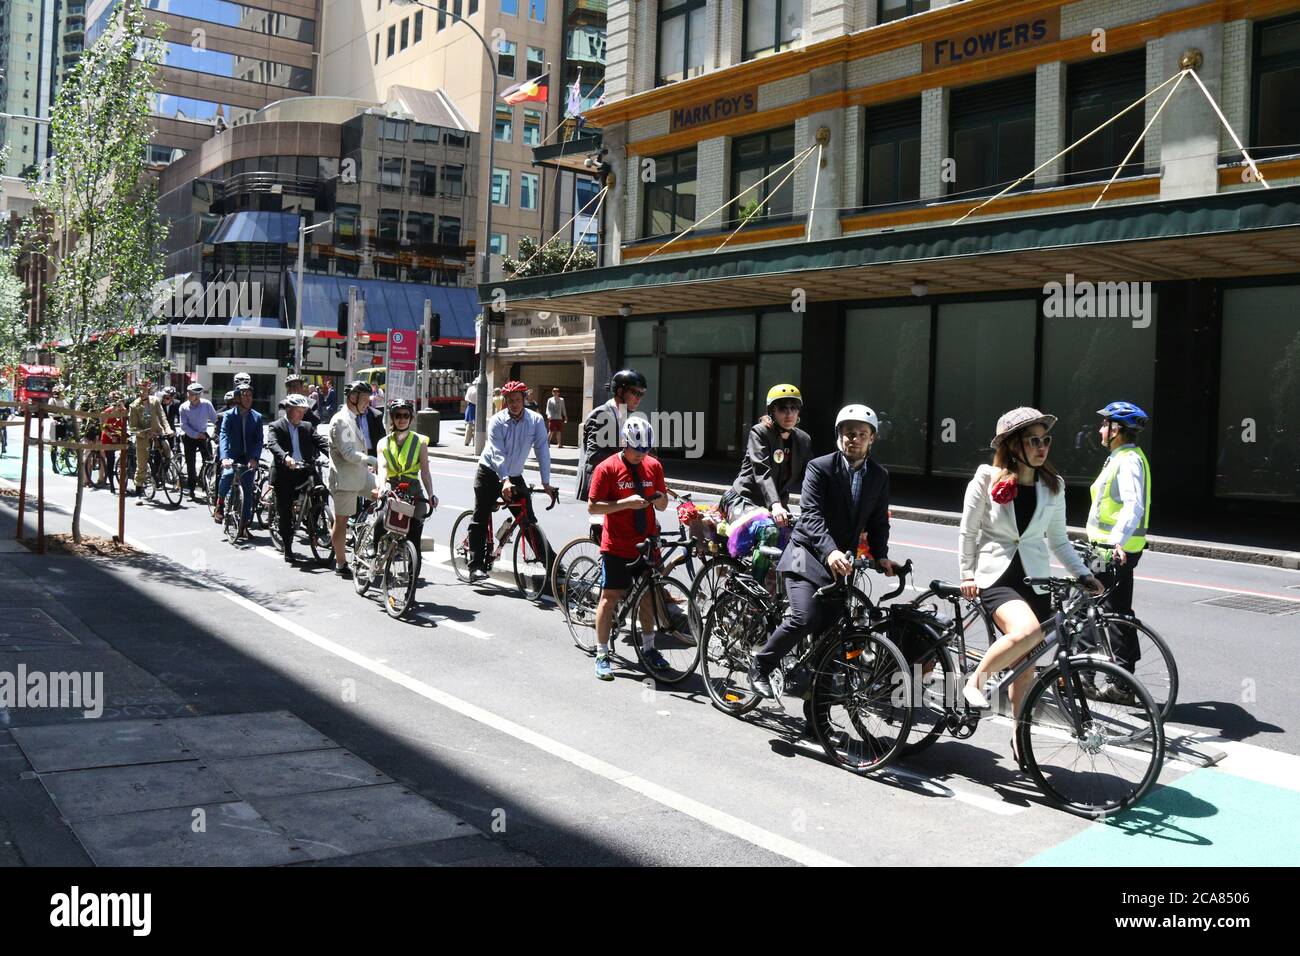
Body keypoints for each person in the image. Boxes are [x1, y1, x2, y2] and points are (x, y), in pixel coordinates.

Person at [958, 407, 1103, 753]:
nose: (1042, 447)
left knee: (1025, 671)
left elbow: (1059, 541)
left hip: (1035, 581)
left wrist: (1082, 574)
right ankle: (975, 681)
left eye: (1046, 440)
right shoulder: (986, 477)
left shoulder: (1054, 486)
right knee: (1027, 632)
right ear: (1012, 446)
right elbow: (969, 530)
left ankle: (1020, 740)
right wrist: (966, 573)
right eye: (1033, 440)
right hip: (997, 577)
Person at [748, 405, 902, 700]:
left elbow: (878, 521)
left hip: (837, 564)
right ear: (838, 436)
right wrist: (830, 551)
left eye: (861, 434)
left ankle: (816, 719)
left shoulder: (879, 476)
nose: (853, 439)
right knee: (805, 617)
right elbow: (812, 517)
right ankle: (762, 663)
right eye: (847, 433)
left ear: (872, 439)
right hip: (803, 554)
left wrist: (881, 556)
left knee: (831, 640)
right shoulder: (820, 468)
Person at [588, 417, 670, 681]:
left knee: (647, 597)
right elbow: (593, 507)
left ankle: (648, 648)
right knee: (609, 598)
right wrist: (624, 503)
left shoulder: (653, 466)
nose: (640, 455)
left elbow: (663, 505)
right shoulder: (607, 468)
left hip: (645, 543)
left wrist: (660, 499)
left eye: (645, 450)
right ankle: (602, 653)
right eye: (636, 449)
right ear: (624, 442)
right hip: (617, 544)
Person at [1085, 401, 1153, 702]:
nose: (1100, 429)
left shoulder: (1127, 461)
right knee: (1116, 611)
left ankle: (1081, 676)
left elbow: (1133, 504)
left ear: (1117, 430)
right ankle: (1122, 683)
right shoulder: (1123, 457)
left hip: (1111, 549)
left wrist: (1117, 541)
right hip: (1115, 548)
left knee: (1086, 605)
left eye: (1105, 425)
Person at [467, 380, 557, 579]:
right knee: (480, 517)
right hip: (489, 471)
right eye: (510, 400)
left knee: (528, 520)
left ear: (524, 399)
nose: (514, 404)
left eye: (517, 400)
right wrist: (504, 480)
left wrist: (546, 482)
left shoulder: (535, 420)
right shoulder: (498, 420)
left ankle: (551, 563)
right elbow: (497, 452)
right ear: (505, 401)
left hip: (514, 475)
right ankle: (475, 566)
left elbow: (542, 449)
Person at [720, 383, 811, 527]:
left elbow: (812, 474)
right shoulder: (760, 432)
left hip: (777, 506)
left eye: (794, 408)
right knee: (765, 531)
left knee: (798, 536)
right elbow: (762, 471)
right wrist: (775, 504)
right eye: (782, 408)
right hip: (745, 500)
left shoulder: (803, 440)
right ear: (772, 411)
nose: (789, 413)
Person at [372, 398, 437, 579]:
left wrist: (431, 495)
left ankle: (411, 582)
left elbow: (425, 472)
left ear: (411, 418)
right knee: (382, 520)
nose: (402, 419)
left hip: (413, 489)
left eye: (406, 416)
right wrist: (383, 486)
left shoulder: (421, 442)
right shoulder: (383, 443)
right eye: (398, 416)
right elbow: (383, 467)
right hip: (392, 486)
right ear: (392, 418)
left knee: (415, 538)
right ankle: (373, 548)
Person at [267, 394, 329, 563]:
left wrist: (335, 455)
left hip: (304, 469)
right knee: (285, 509)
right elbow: (273, 444)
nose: (302, 415)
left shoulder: (307, 427)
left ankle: (315, 523)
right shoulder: (276, 426)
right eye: (298, 411)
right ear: (288, 410)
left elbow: (321, 442)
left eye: (303, 411)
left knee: (322, 491)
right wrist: (285, 458)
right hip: (285, 472)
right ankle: (287, 546)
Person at [327, 380, 379, 578]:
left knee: (386, 494)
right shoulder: (341, 420)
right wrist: (370, 459)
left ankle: (377, 542)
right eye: (365, 399)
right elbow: (348, 453)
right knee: (341, 522)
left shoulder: (353, 417)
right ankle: (341, 563)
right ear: (353, 398)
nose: (368, 404)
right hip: (345, 479)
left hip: (361, 475)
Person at [576, 368, 646, 502]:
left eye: (641, 394)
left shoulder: (624, 415)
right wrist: (630, 455)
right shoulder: (601, 414)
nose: (638, 398)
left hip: (618, 484)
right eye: (635, 392)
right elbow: (594, 456)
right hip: (601, 487)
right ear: (620, 391)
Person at [214, 384, 264, 538]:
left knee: (248, 490)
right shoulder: (229, 415)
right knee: (228, 475)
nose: (248, 398)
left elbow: (258, 440)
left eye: (250, 395)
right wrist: (225, 457)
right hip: (232, 455)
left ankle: (244, 525)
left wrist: (254, 458)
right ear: (237, 397)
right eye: (244, 395)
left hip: (248, 456)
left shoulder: (257, 417)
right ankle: (220, 503)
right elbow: (224, 436)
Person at [127, 378, 173, 495]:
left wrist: (168, 429)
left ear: (149, 390)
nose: (142, 392)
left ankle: (161, 473)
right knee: (141, 464)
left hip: (157, 432)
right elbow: (133, 427)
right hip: (143, 437)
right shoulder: (134, 405)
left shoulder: (155, 401)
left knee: (167, 448)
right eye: (140, 389)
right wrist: (145, 433)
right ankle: (138, 491)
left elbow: (162, 417)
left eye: (145, 389)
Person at [179, 383, 219, 500]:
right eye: (189, 393)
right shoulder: (184, 407)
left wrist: (215, 433)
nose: (189, 396)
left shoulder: (206, 404)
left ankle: (204, 483)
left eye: (192, 394)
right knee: (190, 463)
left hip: (203, 434)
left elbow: (215, 419)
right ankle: (191, 490)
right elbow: (183, 426)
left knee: (209, 460)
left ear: (197, 395)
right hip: (190, 436)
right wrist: (196, 435)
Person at [99, 391, 128, 492]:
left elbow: (125, 424)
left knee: (127, 453)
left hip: (119, 435)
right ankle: (111, 484)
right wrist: (111, 435)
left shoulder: (124, 410)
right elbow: (103, 427)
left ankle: (124, 476)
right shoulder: (108, 411)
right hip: (108, 437)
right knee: (110, 460)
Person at [463, 378, 478, 446]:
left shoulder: (470, 388)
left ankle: (466, 441)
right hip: (478, 407)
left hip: (470, 406)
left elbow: (466, 399)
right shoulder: (480, 390)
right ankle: (475, 442)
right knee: (476, 426)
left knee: (469, 425)